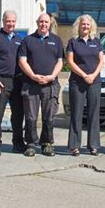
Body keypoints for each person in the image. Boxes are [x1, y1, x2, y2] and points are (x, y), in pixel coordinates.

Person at [18, 13, 64, 157]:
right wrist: (33, 76)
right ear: (37, 22)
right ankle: (30, 144)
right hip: (31, 84)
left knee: (49, 117)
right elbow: (22, 61)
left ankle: (47, 144)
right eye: (41, 21)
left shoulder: (56, 40)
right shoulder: (28, 40)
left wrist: (51, 77)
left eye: (46, 22)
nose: (43, 24)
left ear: (50, 23)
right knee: (31, 117)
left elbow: (60, 62)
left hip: (50, 85)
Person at [0, 10, 25, 156]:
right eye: (8, 21)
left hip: (17, 81)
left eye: (13, 21)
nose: (11, 24)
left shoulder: (19, 40)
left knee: (18, 115)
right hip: (0, 80)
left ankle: (18, 143)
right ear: (4, 21)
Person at [66, 14, 104, 156]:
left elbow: (101, 61)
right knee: (76, 113)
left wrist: (93, 76)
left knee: (94, 113)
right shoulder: (72, 42)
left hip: (94, 82)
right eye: (83, 24)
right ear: (78, 26)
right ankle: (74, 146)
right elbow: (70, 62)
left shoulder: (97, 41)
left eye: (88, 24)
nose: (85, 26)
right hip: (77, 82)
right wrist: (84, 75)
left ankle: (93, 145)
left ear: (91, 26)